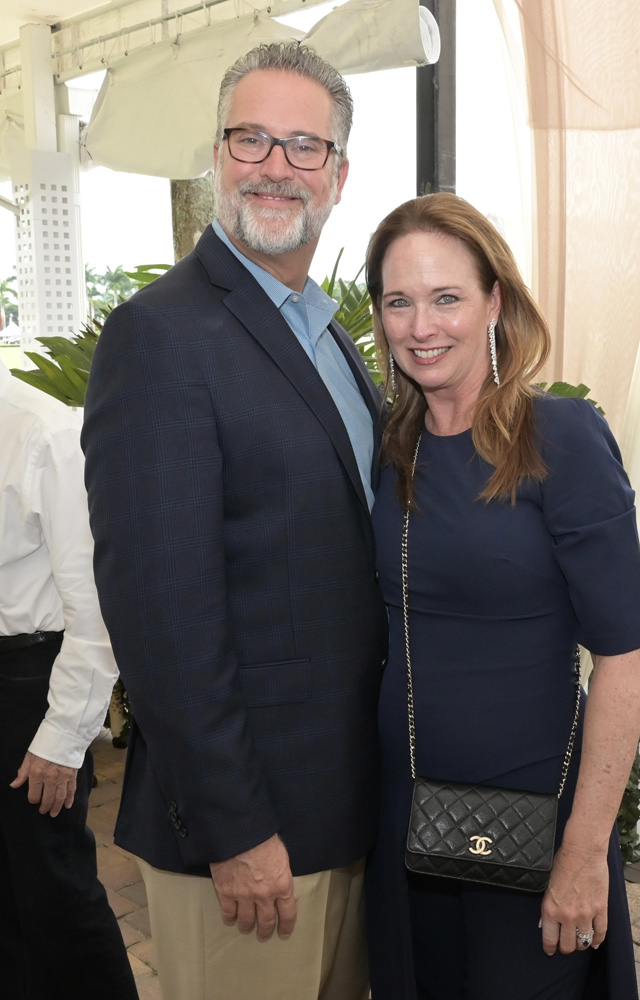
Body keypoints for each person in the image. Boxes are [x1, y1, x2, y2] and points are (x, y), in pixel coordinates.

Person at [82, 41, 387, 1000]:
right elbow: (163, 618)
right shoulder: (160, 336)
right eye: (250, 138)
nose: (274, 165)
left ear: (339, 174)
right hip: (250, 839)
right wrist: (235, 827)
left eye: (303, 146)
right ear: (217, 156)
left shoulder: (330, 333)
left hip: (346, 812)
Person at [364, 192, 640, 1000]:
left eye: (446, 297)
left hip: (532, 831)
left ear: (494, 301)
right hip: (408, 821)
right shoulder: (395, 446)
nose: (422, 325)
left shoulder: (559, 436)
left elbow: (625, 655)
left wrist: (584, 850)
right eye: (399, 301)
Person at [0, 358, 138, 1000]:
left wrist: (62, 738)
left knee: (55, 895)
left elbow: (97, 609)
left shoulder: (44, 431)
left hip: (28, 688)